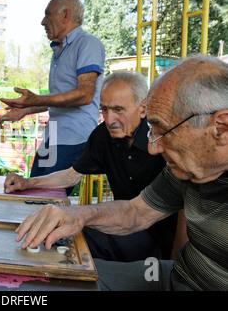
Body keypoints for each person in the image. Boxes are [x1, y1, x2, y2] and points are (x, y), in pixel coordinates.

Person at [14, 55, 228, 291]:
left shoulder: (187, 162)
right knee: (48, 279)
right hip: (173, 275)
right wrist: (78, 215)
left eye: (164, 130)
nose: (152, 147)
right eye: (104, 109)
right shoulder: (185, 168)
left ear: (221, 127)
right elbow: (135, 211)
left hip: (164, 257)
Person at [4, 71, 180, 262]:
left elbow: (184, 206)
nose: (110, 119)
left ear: (143, 109)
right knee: (65, 237)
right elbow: (72, 175)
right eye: (104, 109)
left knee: (77, 240)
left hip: (160, 238)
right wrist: (27, 183)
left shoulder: (164, 140)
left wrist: (175, 263)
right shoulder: (102, 135)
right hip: (123, 223)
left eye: (118, 110)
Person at [0, 0, 105, 191]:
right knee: (31, 194)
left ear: (65, 15)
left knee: (45, 198)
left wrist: (34, 100)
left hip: (73, 138)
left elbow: (84, 94)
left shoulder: (88, 43)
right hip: (54, 136)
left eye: (47, 15)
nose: (42, 22)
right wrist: (26, 109)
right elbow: (60, 99)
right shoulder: (59, 50)